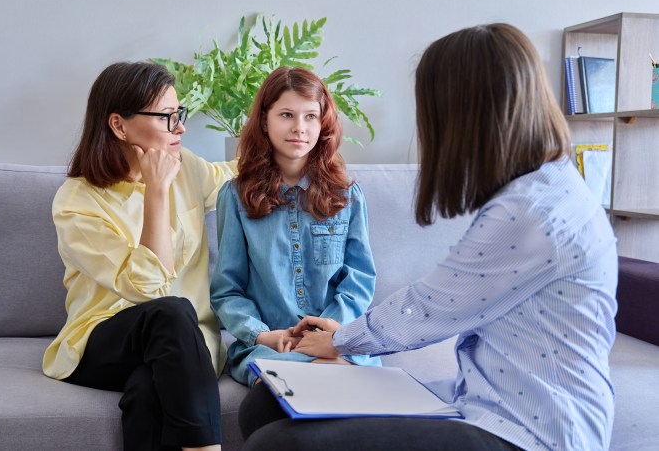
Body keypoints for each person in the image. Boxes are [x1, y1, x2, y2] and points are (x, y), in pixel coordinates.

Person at [241, 24, 619, 451]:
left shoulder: (531, 211)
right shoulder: (539, 188)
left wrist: (339, 338)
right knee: (265, 403)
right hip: (481, 404)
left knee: (276, 444)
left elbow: (428, 308)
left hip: (532, 434)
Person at [42, 61, 237, 451]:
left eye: (179, 114)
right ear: (119, 125)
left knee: (148, 389)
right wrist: (156, 192)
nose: (181, 127)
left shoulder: (189, 169)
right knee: (171, 309)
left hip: (184, 346)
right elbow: (149, 288)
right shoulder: (77, 202)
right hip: (102, 341)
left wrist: (288, 130)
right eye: (167, 117)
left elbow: (239, 174)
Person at [210, 66, 380, 390]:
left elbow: (359, 280)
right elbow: (227, 289)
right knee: (299, 380)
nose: (299, 128)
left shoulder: (347, 196)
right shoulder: (235, 197)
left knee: (336, 372)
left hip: (335, 340)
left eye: (310, 117)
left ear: (323, 122)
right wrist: (262, 334)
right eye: (286, 114)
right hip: (271, 345)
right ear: (264, 120)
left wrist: (332, 332)